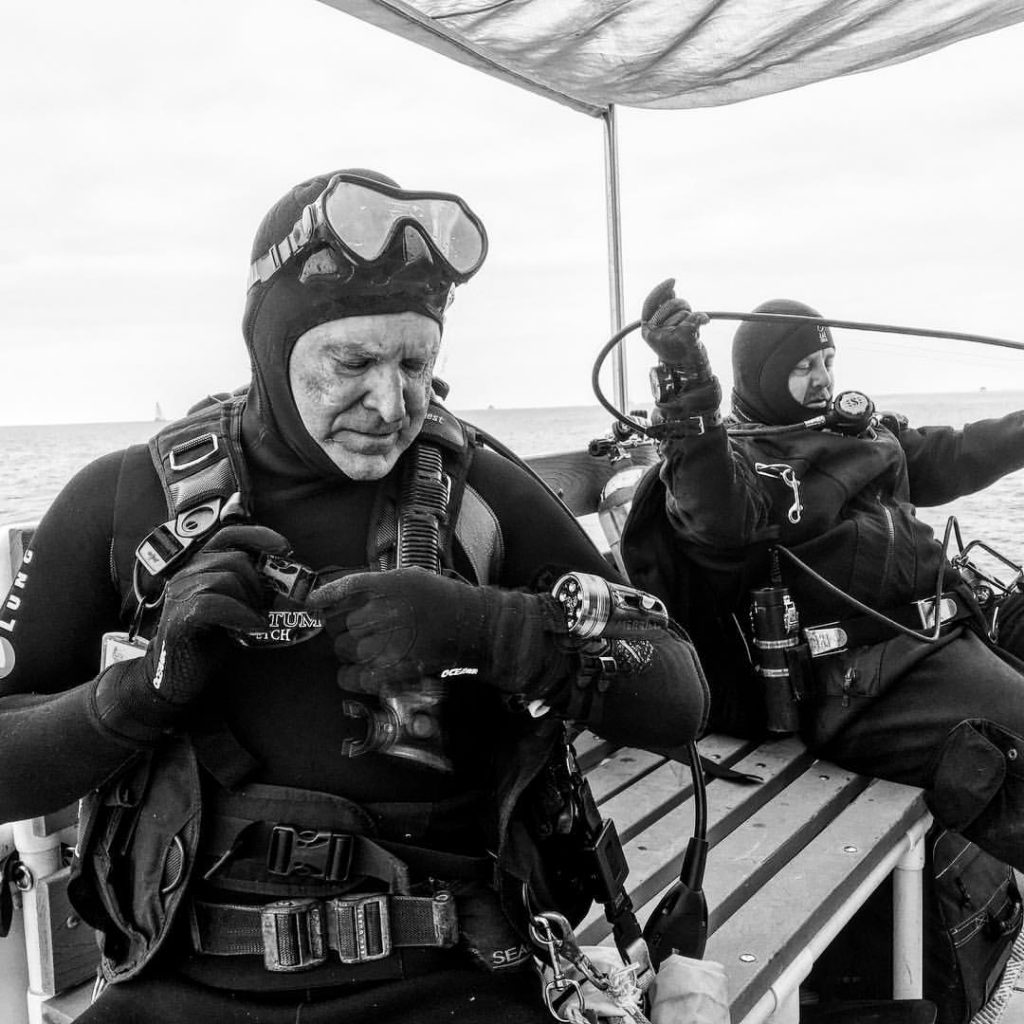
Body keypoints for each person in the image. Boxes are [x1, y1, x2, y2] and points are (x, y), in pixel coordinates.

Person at [0, 177, 711, 1023]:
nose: (391, 403)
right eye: (353, 363)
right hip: (179, 983)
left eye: (416, 363)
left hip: (456, 975)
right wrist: (135, 694)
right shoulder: (124, 503)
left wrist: (493, 629)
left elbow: (679, 694)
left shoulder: (480, 495)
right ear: (270, 344)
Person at [621, 278, 1024, 873]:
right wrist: (688, 390)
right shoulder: (743, 465)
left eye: (828, 361)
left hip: (941, 634)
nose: (823, 378)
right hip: (862, 682)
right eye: (804, 366)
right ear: (758, 377)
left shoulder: (854, 432)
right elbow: (714, 515)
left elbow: (954, 454)